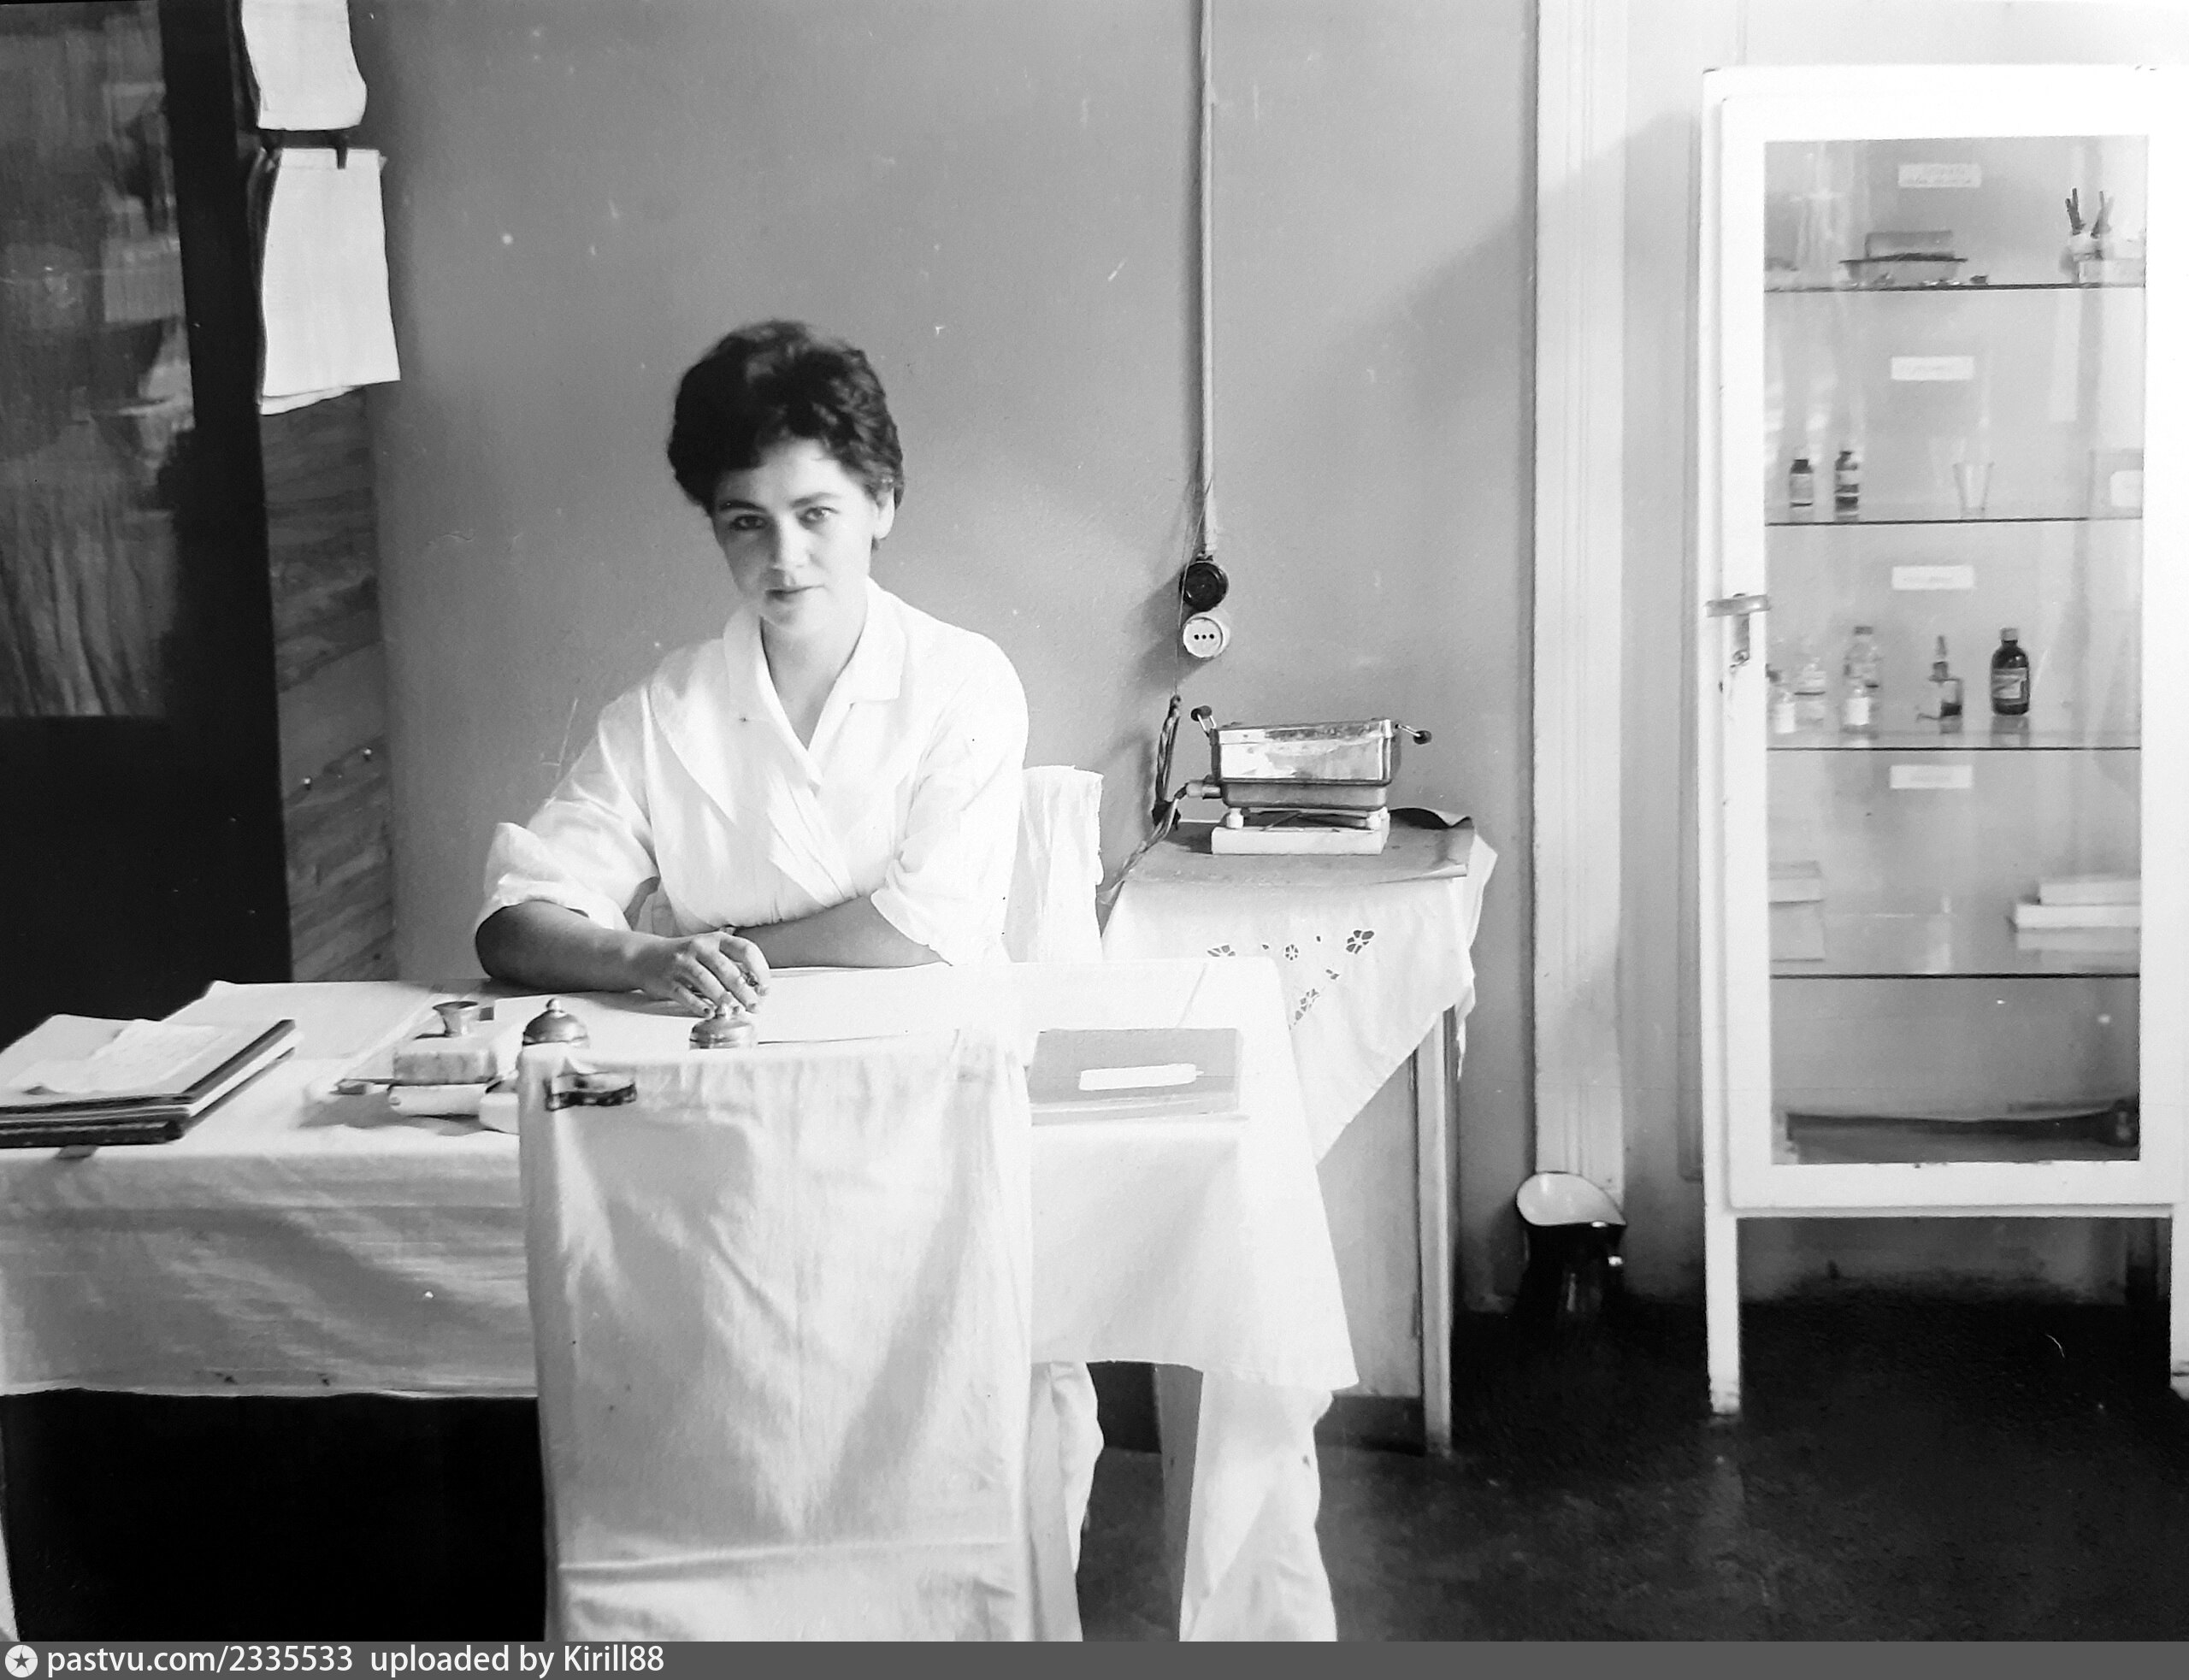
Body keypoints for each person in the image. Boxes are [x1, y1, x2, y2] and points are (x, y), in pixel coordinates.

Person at [475, 321, 1028, 1012]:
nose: (784, 556)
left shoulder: (963, 680)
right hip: (723, 1053)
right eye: (746, 521)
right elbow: (513, 921)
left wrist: (726, 945)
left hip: (928, 1045)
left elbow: (927, 928)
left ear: (882, 503)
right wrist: (649, 957)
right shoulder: (666, 711)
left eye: (815, 514)